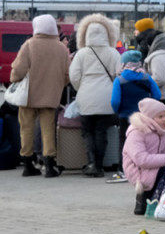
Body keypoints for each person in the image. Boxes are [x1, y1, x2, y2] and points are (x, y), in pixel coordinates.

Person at [11, 14, 71, 178]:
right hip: (51, 96)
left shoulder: (29, 45)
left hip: (28, 96)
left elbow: (18, 70)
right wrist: (57, 86)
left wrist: (14, 80)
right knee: (48, 130)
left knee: (26, 129)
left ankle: (28, 164)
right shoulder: (61, 48)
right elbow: (67, 74)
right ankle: (50, 165)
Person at [68, 15, 122, 177]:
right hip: (107, 98)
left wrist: (81, 89)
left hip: (86, 97)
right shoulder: (113, 53)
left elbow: (74, 76)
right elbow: (119, 75)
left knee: (87, 131)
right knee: (101, 130)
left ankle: (92, 163)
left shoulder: (81, 53)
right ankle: (100, 164)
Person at [123, 99, 165, 217]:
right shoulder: (136, 132)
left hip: (153, 166)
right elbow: (141, 160)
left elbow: (163, 155)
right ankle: (145, 198)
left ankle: (158, 199)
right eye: (160, 116)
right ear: (149, 117)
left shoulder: (162, 132)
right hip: (137, 170)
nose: (164, 119)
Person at [111, 49, 162, 165]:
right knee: (144, 141)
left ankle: (124, 166)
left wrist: (117, 111)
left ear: (124, 63)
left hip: (125, 115)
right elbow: (157, 95)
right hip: (143, 117)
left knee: (124, 140)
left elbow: (115, 101)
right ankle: (143, 164)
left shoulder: (119, 80)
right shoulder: (147, 78)